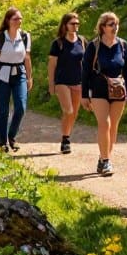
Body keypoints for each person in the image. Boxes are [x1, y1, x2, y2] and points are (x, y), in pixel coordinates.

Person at [82, 11, 127, 175]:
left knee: (113, 126)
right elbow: (85, 71)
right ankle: (105, 161)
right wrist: (84, 95)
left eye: (116, 24)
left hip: (118, 90)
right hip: (99, 90)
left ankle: (105, 157)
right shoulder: (94, 46)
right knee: (105, 124)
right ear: (103, 27)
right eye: (111, 24)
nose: (115, 27)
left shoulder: (123, 45)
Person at [0, 6, 33, 152]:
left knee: (21, 107)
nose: (19, 21)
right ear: (8, 20)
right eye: (15, 19)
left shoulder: (25, 36)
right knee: (4, 110)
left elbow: (27, 58)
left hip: (19, 74)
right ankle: (3, 142)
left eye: (20, 18)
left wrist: (29, 77)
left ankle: (12, 136)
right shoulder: (0, 37)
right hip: (2, 76)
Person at [47, 12, 85, 155]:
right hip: (62, 81)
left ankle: (67, 137)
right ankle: (65, 139)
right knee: (68, 110)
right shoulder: (58, 43)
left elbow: (87, 62)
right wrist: (51, 84)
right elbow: (52, 65)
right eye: (72, 23)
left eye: (77, 23)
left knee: (73, 113)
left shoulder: (82, 41)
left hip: (78, 82)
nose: (75, 26)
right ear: (65, 25)